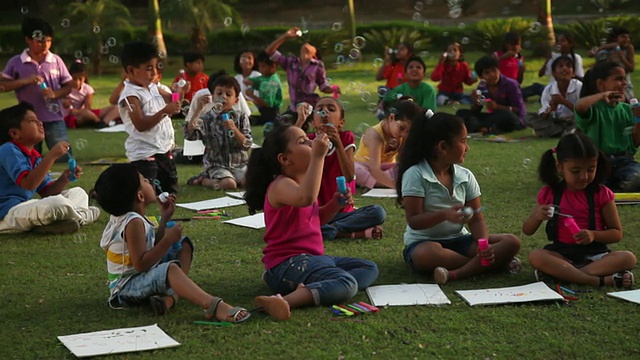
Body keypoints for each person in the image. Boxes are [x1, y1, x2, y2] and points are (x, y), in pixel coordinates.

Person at [92, 163, 289, 321]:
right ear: (140, 195)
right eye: (144, 180)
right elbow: (141, 264)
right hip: (126, 288)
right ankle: (214, 306)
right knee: (170, 268)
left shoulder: (134, 218)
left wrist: (164, 218)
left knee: (184, 244)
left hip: (138, 278)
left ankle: (170, 298)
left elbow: (151, 246)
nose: (150, 181)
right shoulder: (132, 223)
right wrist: (167, 240)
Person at [244, 124, 379, 318]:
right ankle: (282, 302)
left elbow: (315, 219)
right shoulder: (281, 185)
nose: (310, 142)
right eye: (302, 141)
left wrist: (335, 204)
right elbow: (305, 198)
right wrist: (318, 156)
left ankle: (310, 288)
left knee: (368, 268)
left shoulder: (302, 184)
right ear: (284, 159)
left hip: (311, 259)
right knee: (347, 284)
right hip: (287, 264)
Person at [396, 111, 521, 284]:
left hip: (460, 240)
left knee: (511, 242)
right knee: (425, 255)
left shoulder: (466, 176)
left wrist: (483, 245)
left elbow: (476, 219)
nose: (467, 147)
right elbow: (414, 221)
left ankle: (461, 271)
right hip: (424, 243)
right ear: (443, 147)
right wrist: (444, 214)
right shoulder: (415, 174)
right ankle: (488, 266)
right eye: (462, 141)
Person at [522, 133, 636, 288]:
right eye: (575, 171)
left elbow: (616, 233)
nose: (584, 176)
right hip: (561, 254)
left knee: (628, 258)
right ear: (560, 167)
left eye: (591, 169)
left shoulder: (601, 194)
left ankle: (564, 274)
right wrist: (538, 216)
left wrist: (593, 234)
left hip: (596, 255)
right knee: (536, 256)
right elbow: (527, 230)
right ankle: (597, 280)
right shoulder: (551, 193)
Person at [0, 102, 100, 234]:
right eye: (32, 121)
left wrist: (64, 178)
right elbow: (28, 183)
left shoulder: (34, 157)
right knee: (56, 203)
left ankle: (64, 220)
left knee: (78, 192)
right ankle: (81, 216)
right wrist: (52, 156)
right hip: (7, 213)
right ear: (15, 133)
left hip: (23, 209)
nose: (40, 123)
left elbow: (47, 192)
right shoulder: (8, 150)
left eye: (38, 120)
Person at [306, 97, 386, 240]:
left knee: (377, 212)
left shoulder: (345, 138)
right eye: (319, 110)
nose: (324, 111)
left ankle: (325, 230)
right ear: (313, 121)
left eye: (331, 109)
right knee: (306, 220)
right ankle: (344, 232)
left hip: (343, 211)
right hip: (318, 212)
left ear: (341, 122)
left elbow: (349, 175)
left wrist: (337, 143)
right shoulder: (308, 140)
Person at [0, 17, 73, 159]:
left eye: (49, 40)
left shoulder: (55, 60)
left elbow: (69, 86)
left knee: (64, 156)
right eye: (40, 41)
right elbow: (3, 86)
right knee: (30, 156)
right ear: (28, 40)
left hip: (54, 117)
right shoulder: (16, 62)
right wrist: (25, 80)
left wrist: (54, 94)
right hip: (28, 120)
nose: (45, 45)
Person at [117, 41, 182, 194]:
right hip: (144, 155)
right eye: (148, 68)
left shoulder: (153, 87)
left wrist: (179, 91)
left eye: (155, 67)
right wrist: (165, 111)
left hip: (163, 149)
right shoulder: (130, 95)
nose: (154, 73)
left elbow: (173, 100)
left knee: (171, 190)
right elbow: (140, 124)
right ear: (131, 70)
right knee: (149, 193)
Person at [576, 61, 640, 192]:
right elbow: (579, 106)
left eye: (624, 79)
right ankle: (606, 186)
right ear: (601, 84)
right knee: (592, 182)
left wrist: (638, 119)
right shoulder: (593, 109)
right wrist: (602, 96)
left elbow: (635, 142)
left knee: (635, 176)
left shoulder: (627, 109)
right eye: (618, 79)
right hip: (597, 162)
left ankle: (616, 185)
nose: (624, 83)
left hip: (624, 161)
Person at [184, 75, 252, 190]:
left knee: (250, 182)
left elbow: (247, 145)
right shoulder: (207, 118)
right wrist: (198, 110)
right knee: (229, 184)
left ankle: (231, 178)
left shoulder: (241, 117)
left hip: (240, 165)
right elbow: (191, 135)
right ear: (213, 97)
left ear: (236, 100)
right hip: (217, 165)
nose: (223, 97)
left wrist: (234, 129)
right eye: (219, 93)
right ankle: (205, 180)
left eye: (228, 94)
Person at [265, 27, 339, 115]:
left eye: (310, 46)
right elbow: (269, 51)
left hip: (310, 108)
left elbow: (323, 85)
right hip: (294, 108)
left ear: (314, 55)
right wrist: (285, 37)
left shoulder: (317, 65)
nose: (307, 44)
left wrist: (332, 89)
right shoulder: (290, 63)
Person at [354, 99, 420, 189]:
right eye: (401, 127)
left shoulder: (402, 135)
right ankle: (381, 183)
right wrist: (395, 186)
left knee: (406, 167)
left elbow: (404, 160)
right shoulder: (375, 135)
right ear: (391, 118)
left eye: (408, 131)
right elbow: (375, 169)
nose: (404, 134)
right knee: (356, 170)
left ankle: (380, 182)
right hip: (367, 167)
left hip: (387, 170)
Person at [455, 56, 526, 135]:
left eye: (494, 70)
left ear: (499, 70)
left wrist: (498, 107)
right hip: (494, 118)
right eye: (487, 72)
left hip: (511, 117)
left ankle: (480, 128)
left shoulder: (511, 84)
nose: (492, 75)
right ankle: (486, 128)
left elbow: (520, 110)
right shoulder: (482, 86)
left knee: (507, 115)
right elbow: (477, 110)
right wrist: (476, 102)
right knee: (461, 113)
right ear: (481, 76)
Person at [527, 56, 582, 138]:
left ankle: (560, 132)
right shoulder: (549, 89)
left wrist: (564, 102)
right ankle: (563, 132)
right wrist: (550, 108)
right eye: (560, 66)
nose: (564, 69)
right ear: (554, 73)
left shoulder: (579, 86)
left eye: (568, 66)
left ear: (573, 73)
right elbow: (544, 115)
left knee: (581, 123)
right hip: (557, 121)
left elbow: (583, 112)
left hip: (575, 120)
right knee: (528, 117)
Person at [62, 61, 120, 129]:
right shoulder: (64, 87)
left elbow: (87, 108)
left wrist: (79, 111)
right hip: (69, 116)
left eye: (80, 79)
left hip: (84, 113)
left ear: (85, 78)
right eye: (74, 79)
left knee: (117, 108)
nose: (77, 83)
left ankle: (104, 122)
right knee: (85, 113)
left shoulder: (87, 89)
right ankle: (98, 122)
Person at [493, 31, 544, 100]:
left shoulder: (519, 59)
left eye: (518, 45)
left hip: (515, 90)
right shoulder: (496, 55)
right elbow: (491, 71)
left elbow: (519, 81)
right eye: (514, 44)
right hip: (501, 91)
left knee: (537, 87)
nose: (517, 47)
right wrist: (503, 57)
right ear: (506, 45)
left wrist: (521, 72)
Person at [592, 27, 635, 100]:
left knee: (629, 101)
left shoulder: (629, 48)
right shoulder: (609, 48)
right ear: (615, 38)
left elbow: (631, 68)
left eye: (628, 37)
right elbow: (592, 54)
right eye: (623, 37)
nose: (627, 39)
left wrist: (621, 56)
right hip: (609, 80)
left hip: (625, 80)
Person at [430, 42, 477, 106]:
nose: (452, 52)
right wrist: (441, 62)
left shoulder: (464, 65)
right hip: (444, 93)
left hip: (458, 94)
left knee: (472, 97)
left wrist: (473, 79)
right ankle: (451, 102)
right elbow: (435, 78)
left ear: (460, 53)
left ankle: (453, 102)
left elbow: (468, 81)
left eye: (455, 50)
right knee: (438, 99)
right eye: (449, 51)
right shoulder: (443, 65)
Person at [245, 51, 283, 125]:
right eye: (259, 66)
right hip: (263, 109)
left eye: (263, 66)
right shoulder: (265, 77)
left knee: (249, 119)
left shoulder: (271, 82)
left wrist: (252, 96)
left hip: (270, 112)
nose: (260, 69)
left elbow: (267, 104)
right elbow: (253, 80)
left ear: (273, 67)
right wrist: (249, 82)